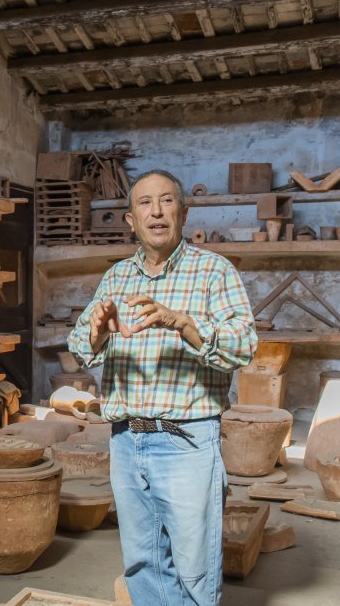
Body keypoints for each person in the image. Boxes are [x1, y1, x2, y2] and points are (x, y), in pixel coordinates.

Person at [68, 169, 257, 605]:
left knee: (195, 569)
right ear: (131, 220)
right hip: (127, 440)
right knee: (142, 564)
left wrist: (185, 324)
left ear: (183, 213)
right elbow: (80, 344)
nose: (156, 211)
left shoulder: (214, 272)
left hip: (187, 440)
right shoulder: (116, 277)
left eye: (166, 201)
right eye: (145, 203)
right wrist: (96, 333)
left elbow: (244, 346)